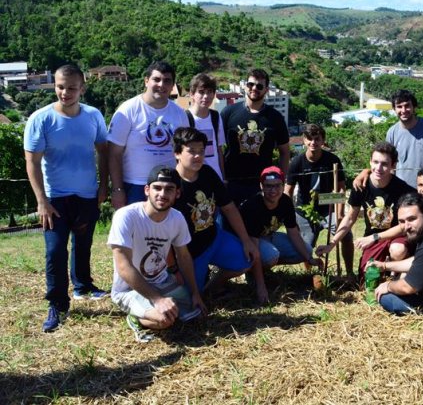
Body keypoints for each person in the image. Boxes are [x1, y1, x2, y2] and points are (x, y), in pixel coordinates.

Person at [24, 63, 109, 333]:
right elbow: (32, 162)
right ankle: (57, 304)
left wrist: (103, 186)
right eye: (60, 87)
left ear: (82, 88)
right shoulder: (41, 119)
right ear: (55, 86)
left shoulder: (93, 116)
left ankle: (83, 286)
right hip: (55, 199)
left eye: (72, 88)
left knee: (83, 244)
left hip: (86, 194)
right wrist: (41, 200)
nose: (65, 92)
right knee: (55, 251)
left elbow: (103, 152)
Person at [108, 166, 205, 342]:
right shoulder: (126, 216)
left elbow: (183, 257)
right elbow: (123, 267)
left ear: (177, 194)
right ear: (147, 190)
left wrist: (195, 293)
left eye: (169, 189)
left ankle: (159, 305)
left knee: (195, 314)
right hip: (129, 289)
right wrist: (158, 299)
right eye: (157, 188)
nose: (162, 194)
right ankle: (135, 317)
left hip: (161, 281)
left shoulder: (177, 218)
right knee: (164, 320)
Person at [172, 127, 259, 298]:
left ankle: (213, 287)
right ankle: (199, 286)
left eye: (201, 151)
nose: (197, 156)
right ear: (177, 153)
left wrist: (246, 240)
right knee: (188, 298)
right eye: (191, 151)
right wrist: (174, 266)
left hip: (213, 237)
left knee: (246, 259)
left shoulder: (208, 173)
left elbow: (229, 207)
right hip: (189, 251)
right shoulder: (171, 183)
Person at [316, 142, 416, 283]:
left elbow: (404, 226)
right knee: (366, 281)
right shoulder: (360, 186)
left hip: (395, 237)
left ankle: (395, 277)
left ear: (393, 165)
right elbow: (350, 217)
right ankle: (381, 272)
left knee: (398, 249)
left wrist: (375, 237)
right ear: (370, 162)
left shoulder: (403, 190)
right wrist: (332, 244)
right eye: (375, 162)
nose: (378, 168)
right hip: (373, 240)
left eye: (384, 164)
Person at [108, 61, 189, 209]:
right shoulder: (128, 110)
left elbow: (183, 153)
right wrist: (117, 189)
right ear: (146, 81)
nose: (161, 85)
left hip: (168, 185)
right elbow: (114, 153)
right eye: (156, 79)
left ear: (172, 86)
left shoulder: (180, 114)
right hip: (135, 186)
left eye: (167, 81)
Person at [240, 166, 321, 303]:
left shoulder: (285, 201)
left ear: (283, 185)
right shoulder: (253, 206)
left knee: (306, 250)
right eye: (268, 186)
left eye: (277, 186)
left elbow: (293, 233)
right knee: (272, 255)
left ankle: (264, 269)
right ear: (261, 186)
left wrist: (309, 258)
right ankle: (253, 275)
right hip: (249, 242)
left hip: (269, 237)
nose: (273, 190)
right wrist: (261, 287)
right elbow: (253, 245)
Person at [284, 124, 354, 278]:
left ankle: (349, 274)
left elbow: (341, 189)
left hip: (327, 205)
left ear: (323, 141)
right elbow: (287, 191)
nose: (313, 143)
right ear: (304, 140)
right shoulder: (296, 162)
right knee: (305, 246)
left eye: (317, 139)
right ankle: (310, 276)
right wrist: (290, 217)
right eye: (309, 139)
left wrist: (340, 213)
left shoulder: (332, 160)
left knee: (346, 235)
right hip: (304, 209)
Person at [353, 89, 423, 194]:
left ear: (414, 107)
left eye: (407, 105)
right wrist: (366, 172)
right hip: (401, 192)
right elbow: (388, 166)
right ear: (394, 109)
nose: (403, 110)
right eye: (399, 106)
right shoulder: (392, 132)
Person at [222, 68, 290, 206]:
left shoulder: (275, 118)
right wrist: (222, 178)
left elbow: (285, 152)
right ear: (245, 86)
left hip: (262, 184)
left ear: (266, 90)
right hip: (231, 182)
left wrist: (279, 181)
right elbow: (218, 148)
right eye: (250, 84)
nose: (254, 88)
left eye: (259, 86)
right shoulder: (228, 113)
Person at [185, 73, 226, 181]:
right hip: (193, 177)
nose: (206, 96)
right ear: (192, 94)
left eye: (209, 92)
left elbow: (219, 149)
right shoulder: (185, 118)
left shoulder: (216, 117)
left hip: (215, 176)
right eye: (201, 92)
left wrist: (223, 177)